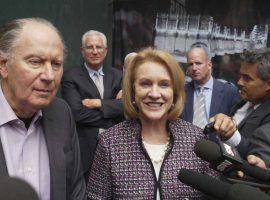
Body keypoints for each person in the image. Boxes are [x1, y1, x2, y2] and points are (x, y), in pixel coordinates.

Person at [87, 47, 212, 199]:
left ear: (175, 92)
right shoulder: (110, 143)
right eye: (145, 84)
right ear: (133, 91)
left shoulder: (196, 140)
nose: (154, 94)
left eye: (164, 84)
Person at [0, 18, 85, 200]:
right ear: (3, 65)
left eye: (56, 64)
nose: (49, 76)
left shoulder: (61, 113)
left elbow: (75, 189)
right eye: (35, 62)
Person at [61, 30, 124, 180]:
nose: (95, 51)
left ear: (106, 50)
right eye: (90, 47)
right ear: (82, 51)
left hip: (116, 148)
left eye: (99, 47)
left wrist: (98, 103)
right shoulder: (71, 76)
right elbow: (76, 113)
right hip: (85, 151)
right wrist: (113, 116)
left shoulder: (118, 76)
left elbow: (127, 107)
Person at [209, 48, 270, 164]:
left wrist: (231, 135)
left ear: (268, 85)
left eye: (247, 78)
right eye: (240, 76)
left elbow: (258, 156)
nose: (239, 82)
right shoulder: (240, 103)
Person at [181, 42, 240, 133]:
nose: (194, 68)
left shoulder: (229, 92)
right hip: (187, 144)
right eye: (190, 64)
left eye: (198, 63)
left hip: (216, 145)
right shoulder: (181, 92)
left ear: (209, 65)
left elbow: (236, 125)